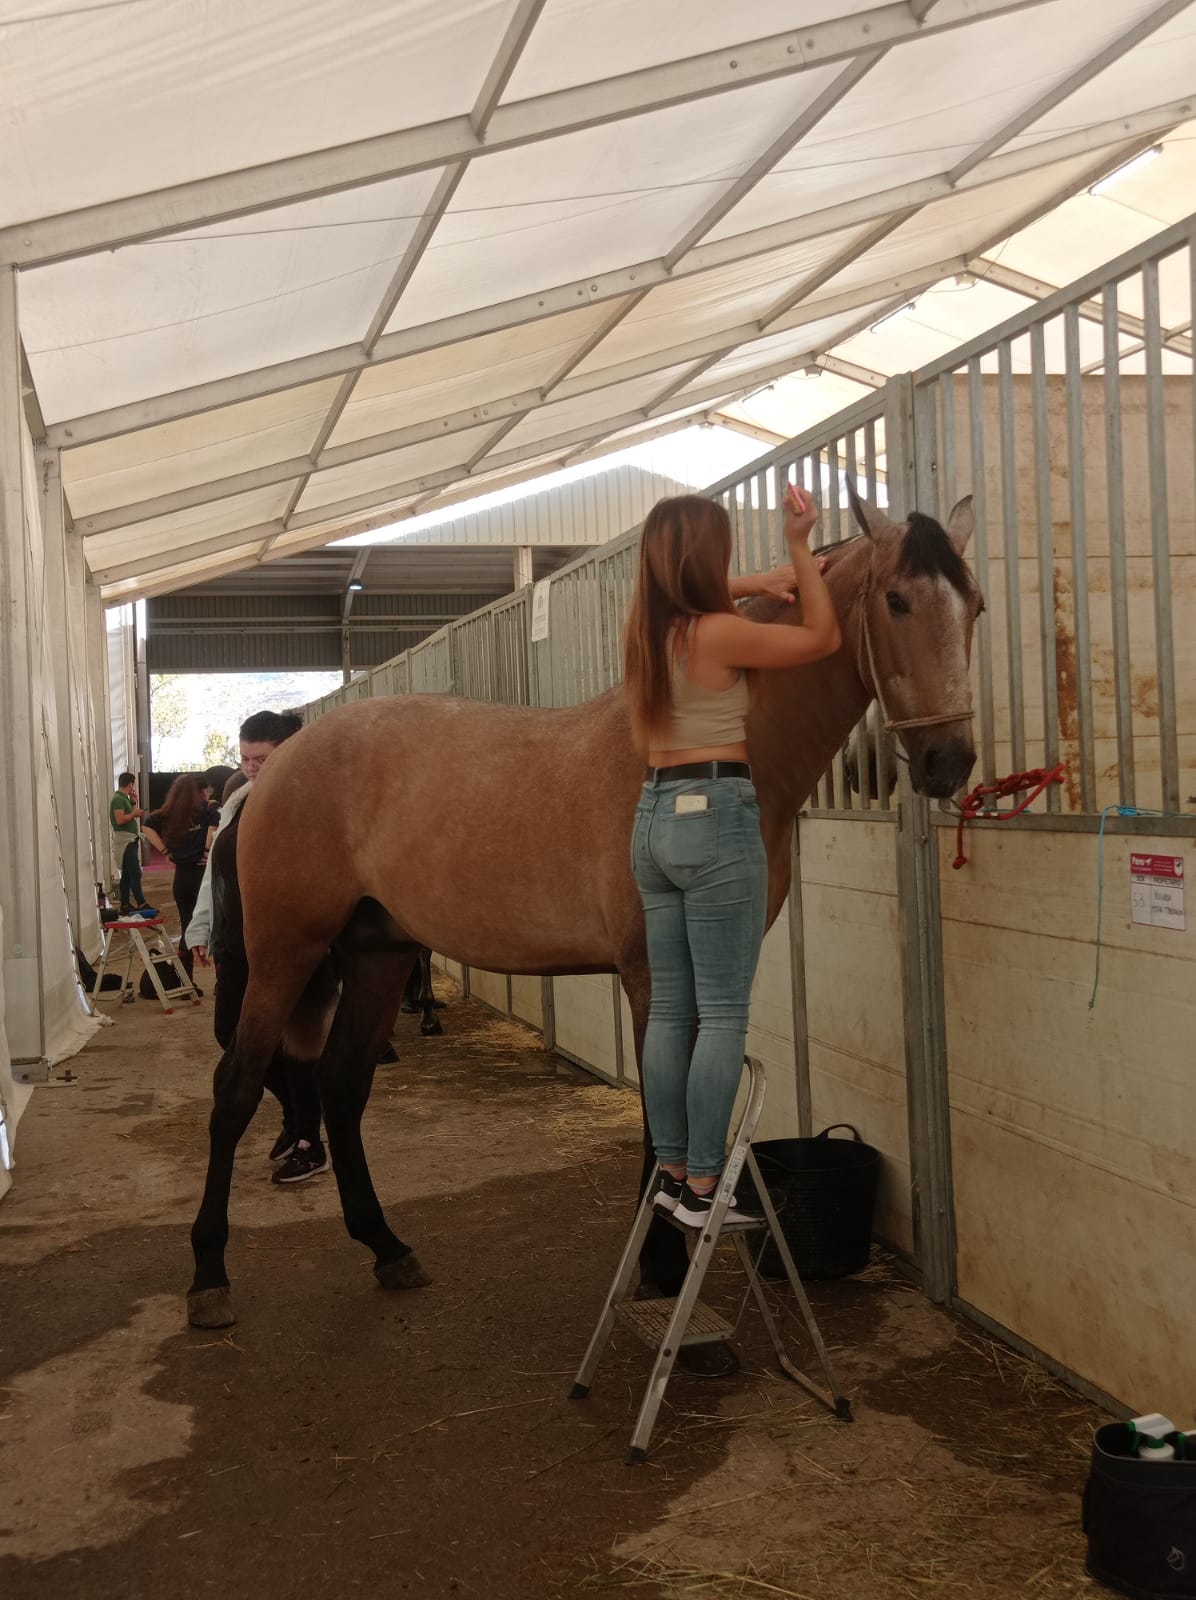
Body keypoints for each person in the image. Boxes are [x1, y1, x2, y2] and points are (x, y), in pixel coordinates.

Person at [623, 486, 840, 1228]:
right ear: (707, 560)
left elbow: (696, 594)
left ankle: (674, 1170)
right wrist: (802, 549)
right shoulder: (720, 634)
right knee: (720, 1013)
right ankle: (708, 1186)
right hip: (716, 816)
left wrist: (755, 581)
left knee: (669, 1013)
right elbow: (821, 639)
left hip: (653, 817)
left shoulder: (646, 632)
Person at [188, 710, 329, 1185]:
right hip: (238, 944)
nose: (250, 767)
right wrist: (201, 928)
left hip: (289, 948)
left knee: (294, 1046)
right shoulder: (238, 802)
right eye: (244, 758)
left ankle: (310, 1140)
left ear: (288, 752)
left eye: (261, 758)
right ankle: (294, 1115)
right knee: (230, 1033)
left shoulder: (309, 805)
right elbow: (215, 874)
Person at [142, 775, 221, 988]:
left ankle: (186, 983)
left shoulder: (168, 814)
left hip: (181, 880)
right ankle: (220, 983)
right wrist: (206, 850)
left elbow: (146, 826)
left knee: (188, 929)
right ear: (202, 791)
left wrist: (165, 850)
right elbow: (214, 828)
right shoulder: (208, 810)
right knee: (215, 927)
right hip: (201, 877)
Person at [109, 772, 158, 918]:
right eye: (133, 785)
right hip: (126, 841)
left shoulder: (124, 799)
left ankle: (125, 904)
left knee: (127, 875)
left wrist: (133, 804)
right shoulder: (118, 799)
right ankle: (141, 902)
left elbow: (126, 814)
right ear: (130, 784)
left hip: (130, 840)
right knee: (135, 872)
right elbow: (120, 819)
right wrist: (134, 814)